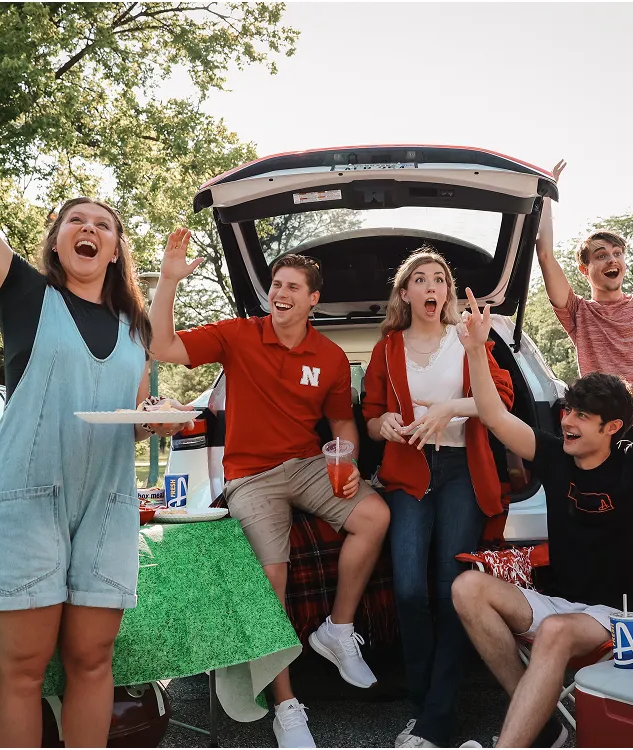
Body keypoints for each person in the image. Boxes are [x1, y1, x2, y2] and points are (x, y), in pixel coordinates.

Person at [0, 164, 182, 748]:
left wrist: (152, 421)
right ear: (56, 239)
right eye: (76, 219)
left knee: (94, 661)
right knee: (22, 671)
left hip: (108, 506)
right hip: (27, 503)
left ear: (115, 249)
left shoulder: (135, 327)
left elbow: (128, 423)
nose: (89, 228)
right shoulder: (23, 292)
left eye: (104, 224)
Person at [148, 229, 390, 749]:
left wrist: (346, 461)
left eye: (292, 287)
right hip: (251, 475)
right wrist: (167, 281)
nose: (280, 294)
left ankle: (337, 630)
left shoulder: (327, 357)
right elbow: (162, 346)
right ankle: (285, 703)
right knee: (272, 582)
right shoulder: (238, 334)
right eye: (276, 284)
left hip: (307, 464)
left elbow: (341, 424)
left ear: (313, 299)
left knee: (375, 516)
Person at [452, 287, 633, 749]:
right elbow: (494, 417)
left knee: (558, 633)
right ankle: (540, 718)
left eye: (583, 416)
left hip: (618, 616)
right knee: (467, 587)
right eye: (568, 410)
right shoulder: (557, 454)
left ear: (613, 428)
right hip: (559, 602)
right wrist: (476, 350)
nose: (567, 421)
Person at [362, 249, 514, 749]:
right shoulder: (386, 347)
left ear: (447, 292)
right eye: (420, 279)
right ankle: (428, 698)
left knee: (453, 590)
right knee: (408, 589)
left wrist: (452, 405)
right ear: (405, 293)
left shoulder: (467, 339)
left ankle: (436, 715)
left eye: (440, 279)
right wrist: (380, 425)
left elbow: (504, 400)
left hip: (461, 473)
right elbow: (372, 413)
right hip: (408, 473)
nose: (432, 287)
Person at [535, 159, 633, 453]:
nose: (612, 260)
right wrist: (546, 194)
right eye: (601, 255)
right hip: (615, 432)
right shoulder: (578, 312)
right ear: (585, 269)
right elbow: (544, 254)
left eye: (617, 253)